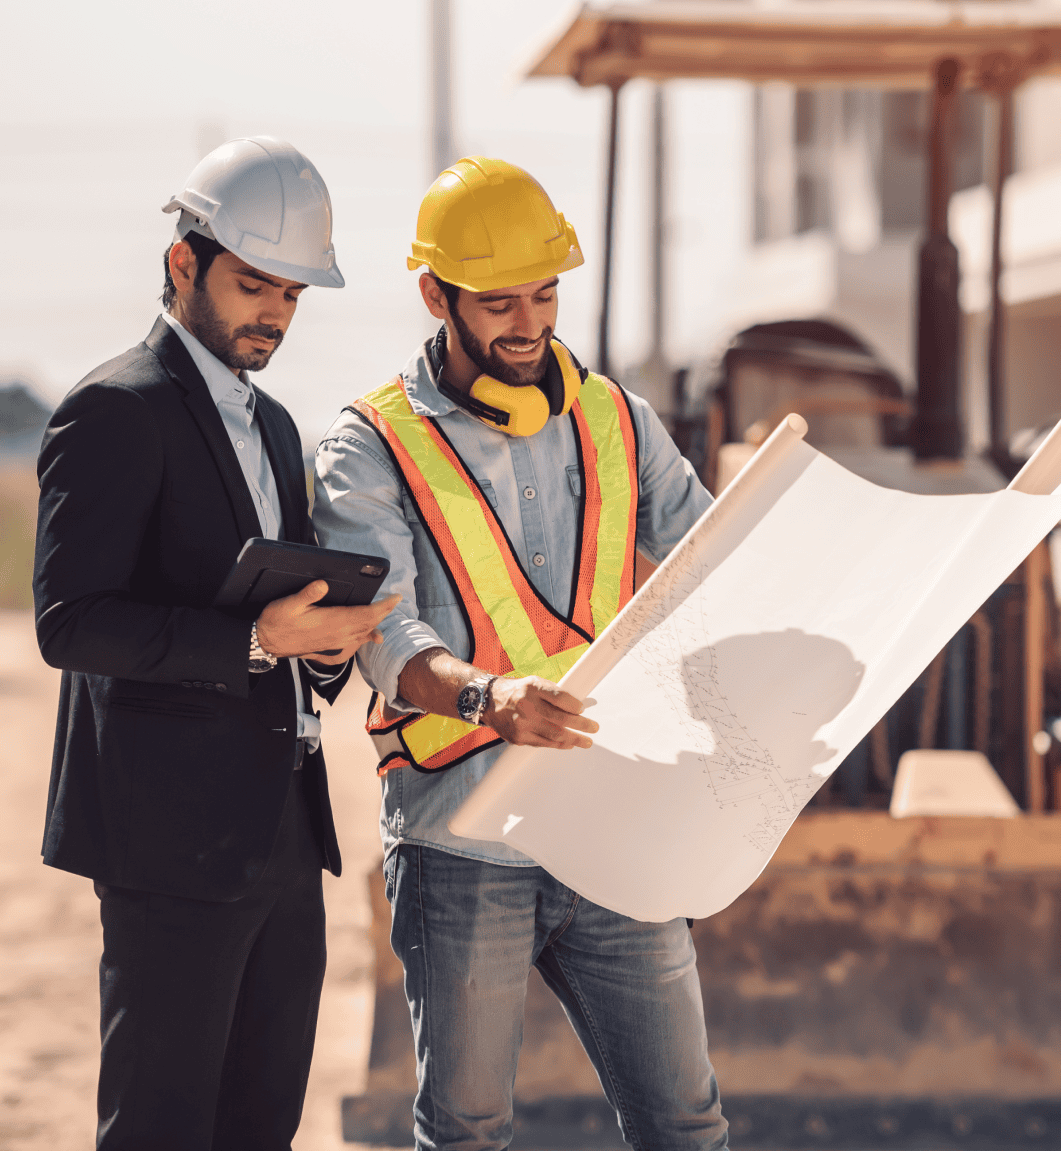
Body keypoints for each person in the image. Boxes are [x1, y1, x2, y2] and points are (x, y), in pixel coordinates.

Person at [313, 155, 728, 1150]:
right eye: (499, 301)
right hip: (463, 842)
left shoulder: (619, 421)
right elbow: (384, 636)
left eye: (544, 294)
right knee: (468, 1131)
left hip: (611, 824)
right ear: (435, 295)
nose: (530, 323)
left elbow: (717, 560)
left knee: (686, 1124)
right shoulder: (372, 446)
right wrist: (486, 698)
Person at [33, 136, 399, 1150]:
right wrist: (250, 639)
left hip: (281, 837)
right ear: (182, 264)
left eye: (291, 292)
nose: (274, 312)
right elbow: (69, 622)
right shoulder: (114, 410)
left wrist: (322, 647)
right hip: (165, 843)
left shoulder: (280, 427)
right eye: (253, 284)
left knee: (259, 1128)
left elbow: (283, 629)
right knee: (160, 1127)